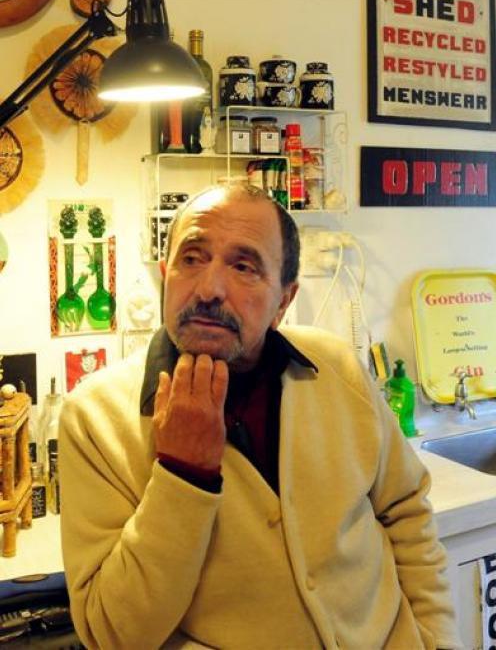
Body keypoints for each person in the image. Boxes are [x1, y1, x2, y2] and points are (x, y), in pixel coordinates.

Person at [59, 184, 460, 650]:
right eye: (191, 259)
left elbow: (407, 514)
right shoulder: (94, 418)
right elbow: (112, 633)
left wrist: (437, 639)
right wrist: (183, 475)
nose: (208, 289)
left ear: (283, 301)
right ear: (165, 274)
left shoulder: (336, 367)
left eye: (244, 266)